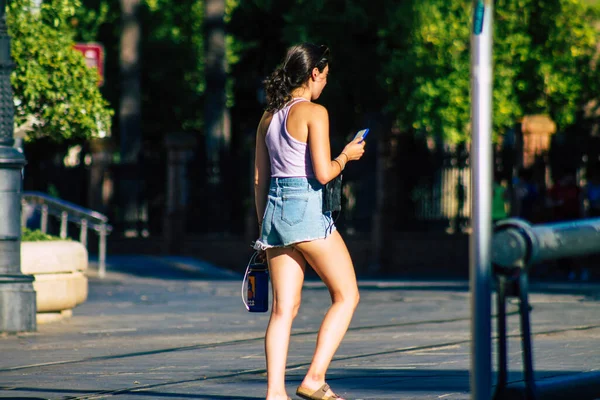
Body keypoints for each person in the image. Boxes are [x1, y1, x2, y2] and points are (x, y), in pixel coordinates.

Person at [253, 43, 366, 400]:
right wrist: (347, 155)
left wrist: (263, 234)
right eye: (325, 76)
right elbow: (322, 173)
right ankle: (314, 378)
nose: (325, 84)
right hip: (306, 212)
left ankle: (274, 393)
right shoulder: (314, 113)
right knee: (347, 295)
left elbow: (260, 179)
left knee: (283, 310)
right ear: (314, 73)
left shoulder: (268, 117)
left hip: (274, 215)